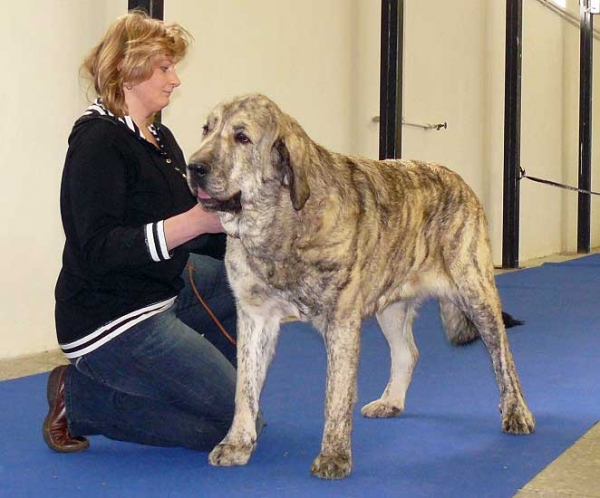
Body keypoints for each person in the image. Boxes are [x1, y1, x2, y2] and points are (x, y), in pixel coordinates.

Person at [43, 10, 250, 453]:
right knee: (231, 425)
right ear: (128, 71)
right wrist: (194, 221)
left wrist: (236, 227)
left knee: (243, 285)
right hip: (111, 315)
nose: (175, 80)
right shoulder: (97, 141)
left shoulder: (160, 136)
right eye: (164, 68)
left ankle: (220, 392)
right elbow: (97, 249)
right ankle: (79, 399)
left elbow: (194, 229)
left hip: (163, 284)